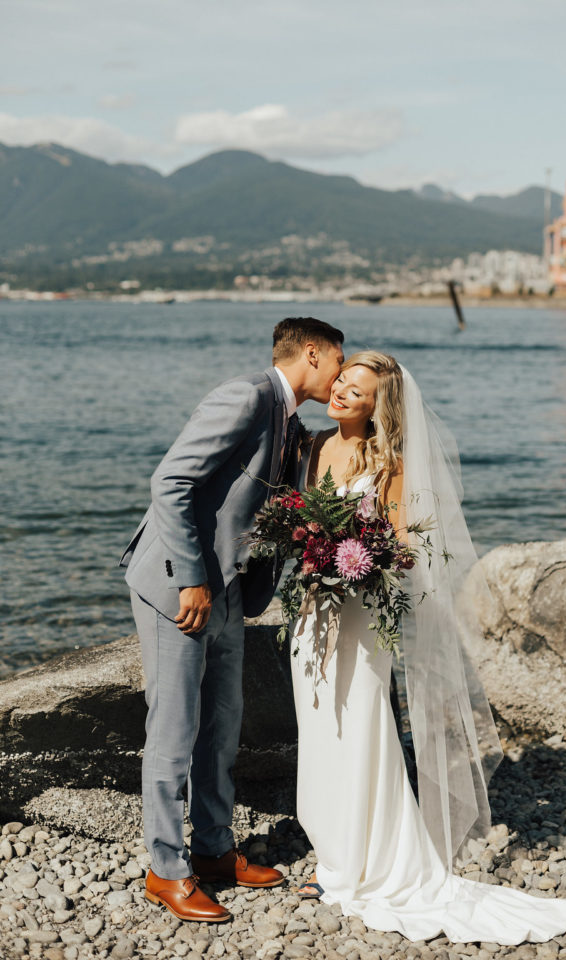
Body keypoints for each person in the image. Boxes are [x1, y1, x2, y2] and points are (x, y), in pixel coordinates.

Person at [290, 351, 566, 944]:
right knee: (318, 724)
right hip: (312, 607)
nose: (342, 391)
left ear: (377, 408)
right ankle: (332, 848)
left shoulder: (390, 462)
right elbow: (298, 520)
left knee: (362, 724)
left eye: (359, 392)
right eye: (343, 381)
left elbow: (401, 545)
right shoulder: (315, 447)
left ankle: (368, 862)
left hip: (360, 612)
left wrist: (357, 565)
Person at [120, 317, 344, 922]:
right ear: (314, 354)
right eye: (339, 361)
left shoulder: (293, 424)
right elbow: (170, 481)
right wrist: (192, 578)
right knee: (174, 728)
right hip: (180, 584)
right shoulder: (247, 396)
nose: (341, 373)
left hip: (229, 591)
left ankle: (216, 850)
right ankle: (165, 871)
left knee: (223, 724)